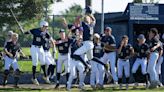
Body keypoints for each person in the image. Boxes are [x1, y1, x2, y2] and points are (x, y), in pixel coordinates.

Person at [24, 20, 50, 85]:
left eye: (47, 26)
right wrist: (24, 32)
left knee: (43, 62)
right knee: (35, 63)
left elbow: (50, 38)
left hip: (40, 48)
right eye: (45, 26)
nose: (46, 28)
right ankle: (34, 78)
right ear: (42, 26)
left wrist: (49, 40)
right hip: (34, 48)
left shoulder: (46, 32)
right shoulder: (35, 30)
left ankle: (45, 76)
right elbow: (28, 32)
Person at [71, 7, 96, 71]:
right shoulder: (91, 25)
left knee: (75, 54)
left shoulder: (85, 24)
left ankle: (87, 66)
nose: (86, 18)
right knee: (91, 58)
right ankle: (104, 65)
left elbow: (77, 19)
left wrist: (83, 14)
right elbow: (94, 20)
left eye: (86, 18)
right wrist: (89, 14)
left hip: (87, 43)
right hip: (90, 43)